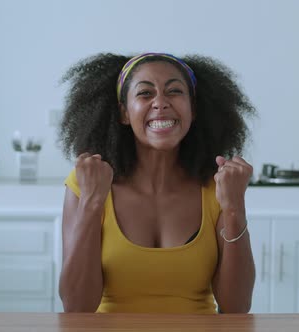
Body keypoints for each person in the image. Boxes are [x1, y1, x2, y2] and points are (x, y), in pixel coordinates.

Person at [58, 52, 256, 314]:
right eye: (145, 93)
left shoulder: (216, 186)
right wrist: (92, 203)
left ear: (193, 109)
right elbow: (77, 307)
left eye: (174, 91)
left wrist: (234, 208)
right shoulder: (88, 183)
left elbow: (236, 308)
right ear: (124, 112)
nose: (160, 102)